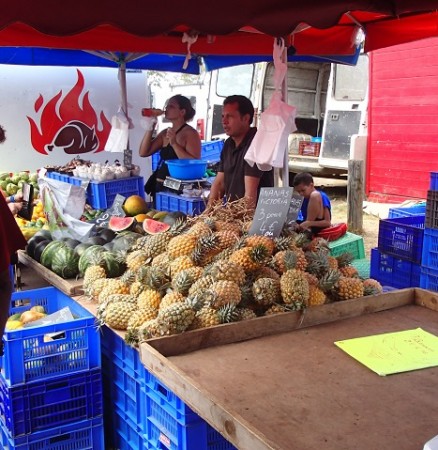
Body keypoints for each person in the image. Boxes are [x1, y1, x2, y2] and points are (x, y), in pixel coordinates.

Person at [207, 95, 274, 210]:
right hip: (233, 214)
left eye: (230, 116)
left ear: (246, 118)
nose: (224, 121)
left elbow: (250, 195)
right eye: (223, 116)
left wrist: (242, 222)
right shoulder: (228, 144)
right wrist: (207, 212)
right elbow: (219, 184)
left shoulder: (258, 143)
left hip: (255, 219)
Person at [139, 95, 201, 197]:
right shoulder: (165, 133)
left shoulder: (190, 133)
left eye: (171, 106)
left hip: (177, 189)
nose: (166, 109)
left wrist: (174, 144)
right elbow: (143, 152)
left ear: (182, 112)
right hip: (160, 184)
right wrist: (151, 126)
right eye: (167, 106)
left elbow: (194, 163)